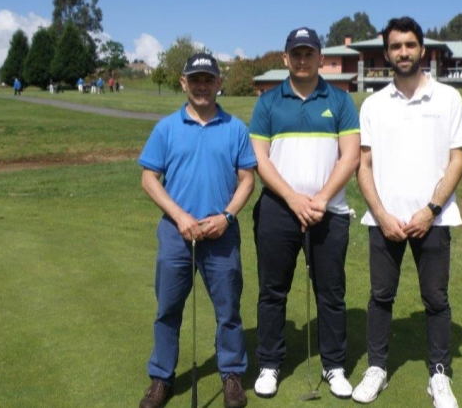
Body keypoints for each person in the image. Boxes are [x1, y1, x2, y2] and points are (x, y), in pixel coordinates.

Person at [352, 17, 462, 408]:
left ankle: (439, 374)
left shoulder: (448, 98)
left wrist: (432, 209)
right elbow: (363, 166)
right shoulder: (373, 104)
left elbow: (458, 159)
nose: (403, 52)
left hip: (433, 220)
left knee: (436, 299)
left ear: (422, 49)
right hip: (384, 220)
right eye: (395, 46)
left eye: (409, 44)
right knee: (380, 297)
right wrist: (382, 214)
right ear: (386, 53)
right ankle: (377, 368)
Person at [137, 52, 256, 408]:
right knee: (168, 308)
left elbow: (248, 180)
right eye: (196, 79)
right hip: (177, 234)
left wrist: (228, 216)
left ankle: (232, 374)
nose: (202, 85)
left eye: (209, 79)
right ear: (183, 83)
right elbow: (148, 178)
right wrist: (179, 216)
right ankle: (161, 378)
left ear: (219, 83)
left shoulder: (235, 128)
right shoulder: (167, 128)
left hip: (221, 233)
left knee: (228, 311)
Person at [249, 27, 360, 399]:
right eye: (295, 54)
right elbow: (260, 160)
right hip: (278, 210)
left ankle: (334, 366)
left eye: (308, 53)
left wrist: (322, 197)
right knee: (272, 291)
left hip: (329, 211)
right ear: (285, 58)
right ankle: (269, 363)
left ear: (320, 58)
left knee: (330, 293)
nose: (301, 60)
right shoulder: (267, 102)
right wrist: (294, 199)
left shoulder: (340, 101)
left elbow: (351, 156)